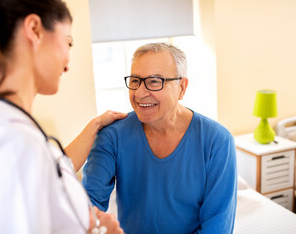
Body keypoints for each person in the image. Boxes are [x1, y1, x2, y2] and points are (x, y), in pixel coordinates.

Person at [0, 0, 126, 233]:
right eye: (68, 42)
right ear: (35, 29)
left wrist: (95, 125)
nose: (68, 63)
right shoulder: (14, 144)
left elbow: (50, 172)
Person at [82, 43, 237, 233]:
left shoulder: (218, 141)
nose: (139, 93)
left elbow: (217, 226)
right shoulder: (111, 136)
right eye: (135, 81)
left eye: (154, 81)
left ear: (182, 87)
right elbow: (88, 206)